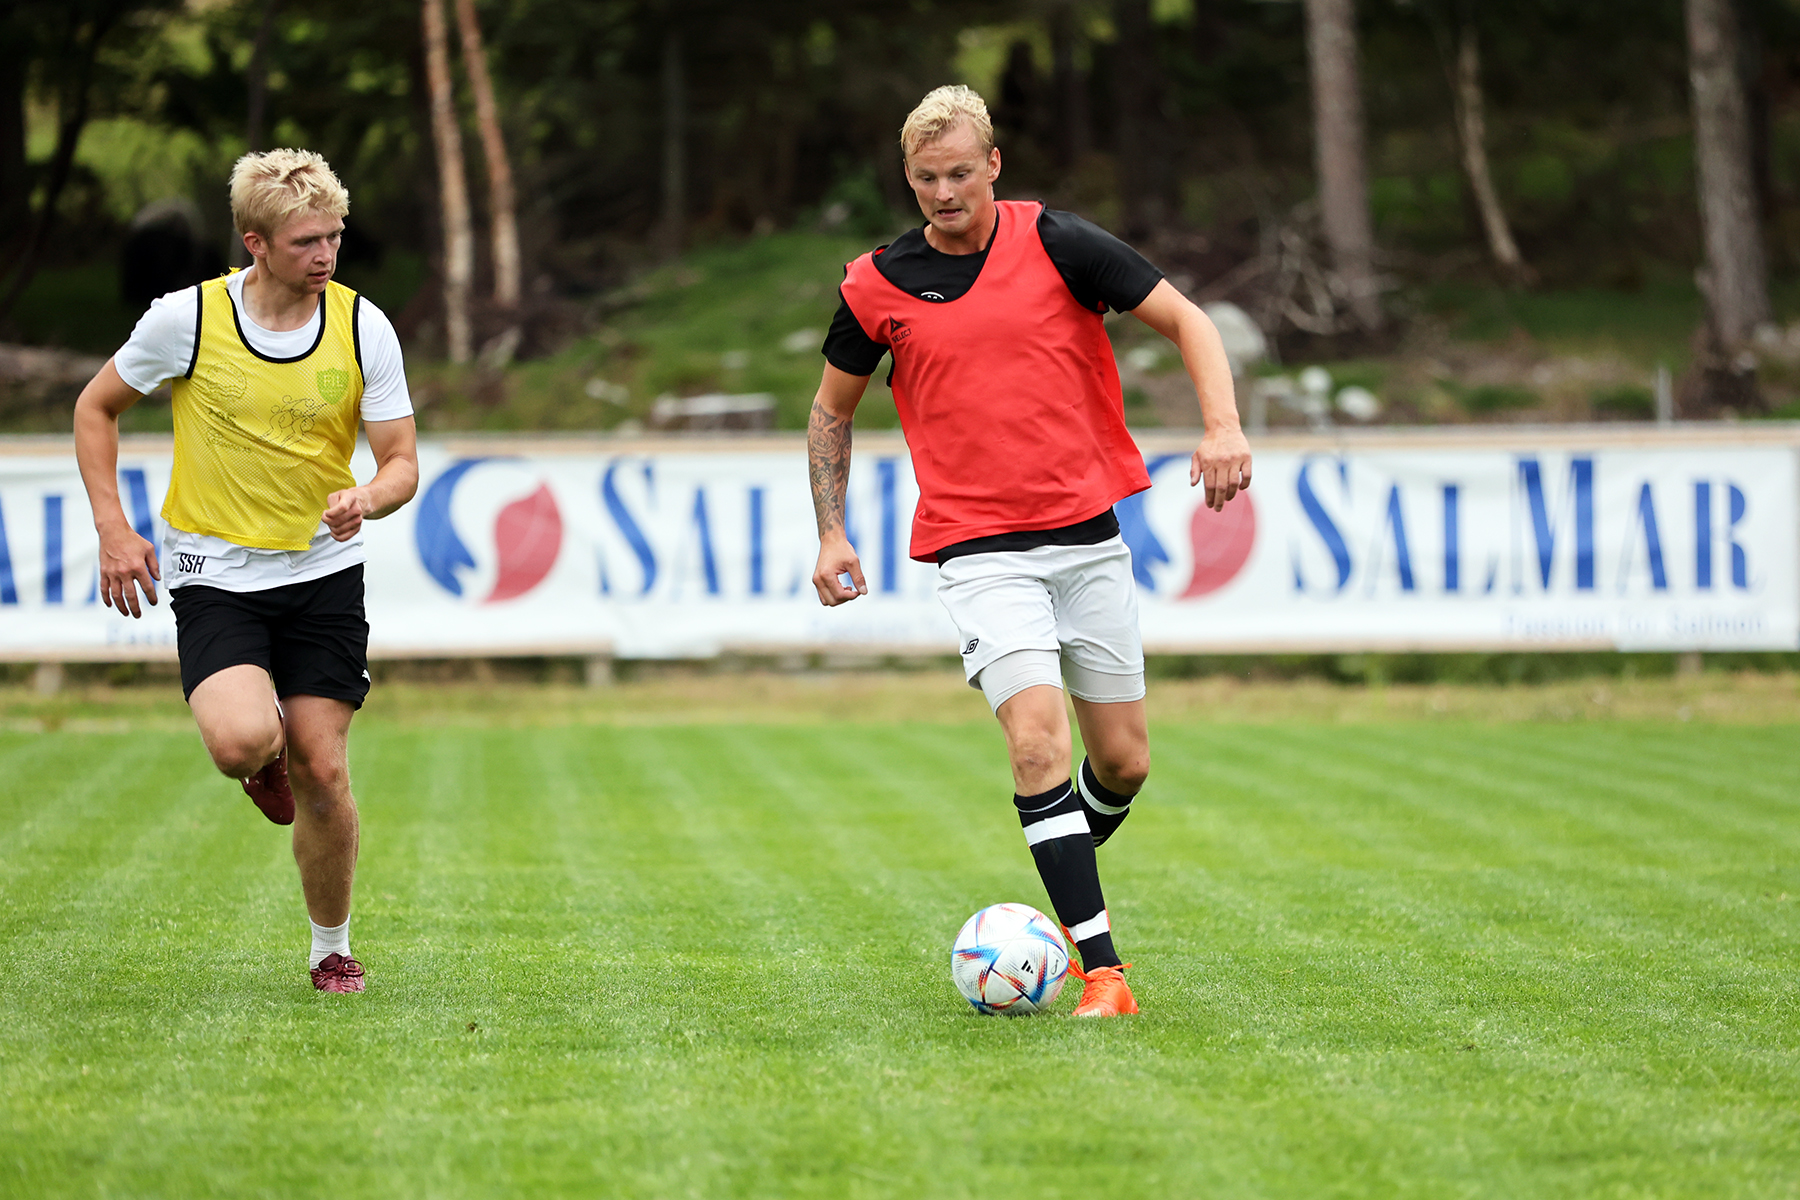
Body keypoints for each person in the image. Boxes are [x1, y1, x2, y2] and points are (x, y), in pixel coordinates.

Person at [807, 86, 1251, 1018]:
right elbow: (830, 412)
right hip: (979, 553)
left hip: (1089, 543)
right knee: (1038, 743)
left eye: (960, 173)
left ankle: (1055, 882)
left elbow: (1191, 321)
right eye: (926, 178)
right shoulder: (874, 285)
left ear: (994, 166)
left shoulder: (1059, 242)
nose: (944, 193)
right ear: (908, 179)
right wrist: (832, 530)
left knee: (1123, 763)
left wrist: (1222, 427)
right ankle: (1105, 974)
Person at [73, 149, 419, 993]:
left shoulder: (361, 326)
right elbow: (95, 407)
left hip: (322, 576)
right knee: (239, 742)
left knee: (324, 773)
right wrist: (114, 528)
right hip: (216, 572)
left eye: (334, 236)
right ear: (255, 243)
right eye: (306, 241)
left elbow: (402, 462)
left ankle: (331, 949)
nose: (325, 254)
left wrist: (367, 498)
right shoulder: (187, 320)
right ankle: (264, 757)